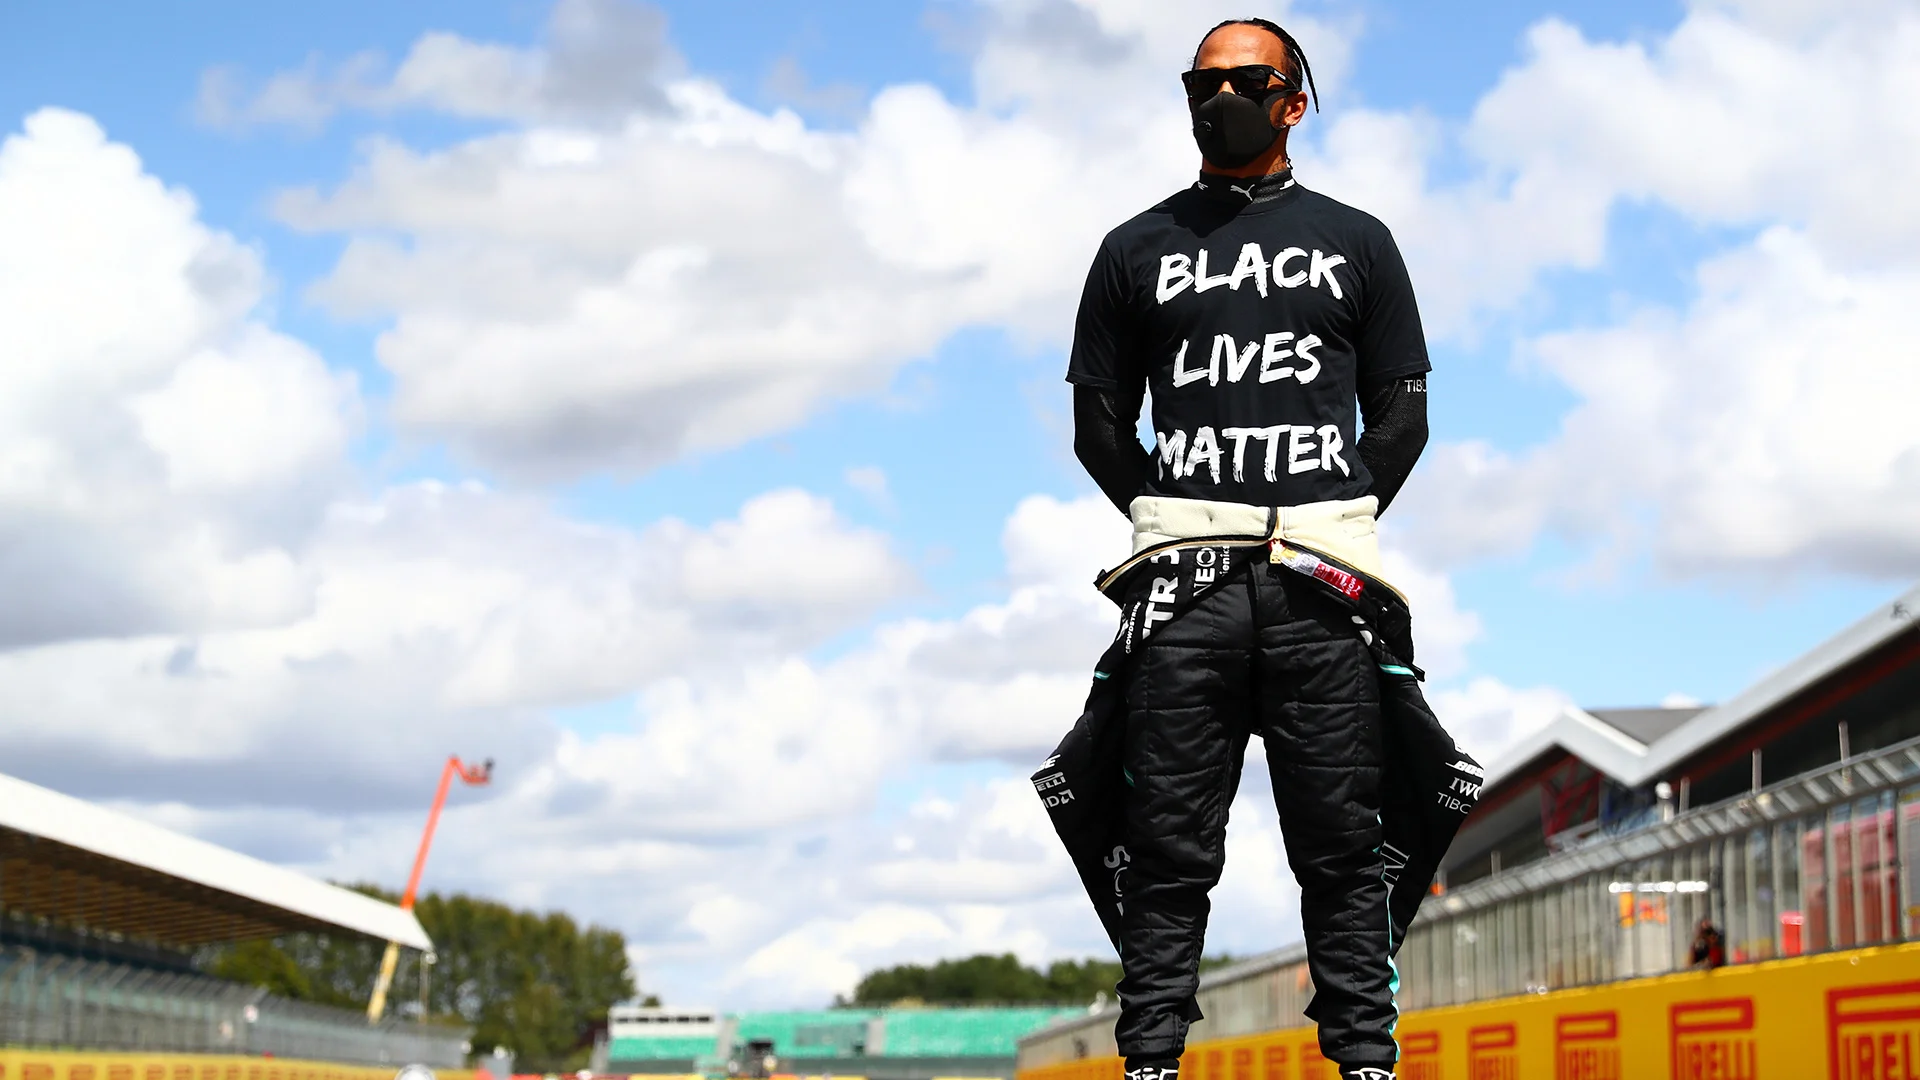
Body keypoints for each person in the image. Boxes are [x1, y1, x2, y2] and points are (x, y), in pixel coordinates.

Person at [1065, 17, 1433, 1080]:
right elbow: (1097, 424)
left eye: (1243, 79)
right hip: (1185, 590)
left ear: (1293, 102)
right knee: (1168, 846)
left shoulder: (1360, 240)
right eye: (1200, 80)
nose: (1216, 96)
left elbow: (1402, 416)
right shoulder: (1132, 247)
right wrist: (1172, 519)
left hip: (1323, 586)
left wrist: (1334, 517)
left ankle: (1365, 1062)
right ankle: (1151, 1064)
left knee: (1341, 846)